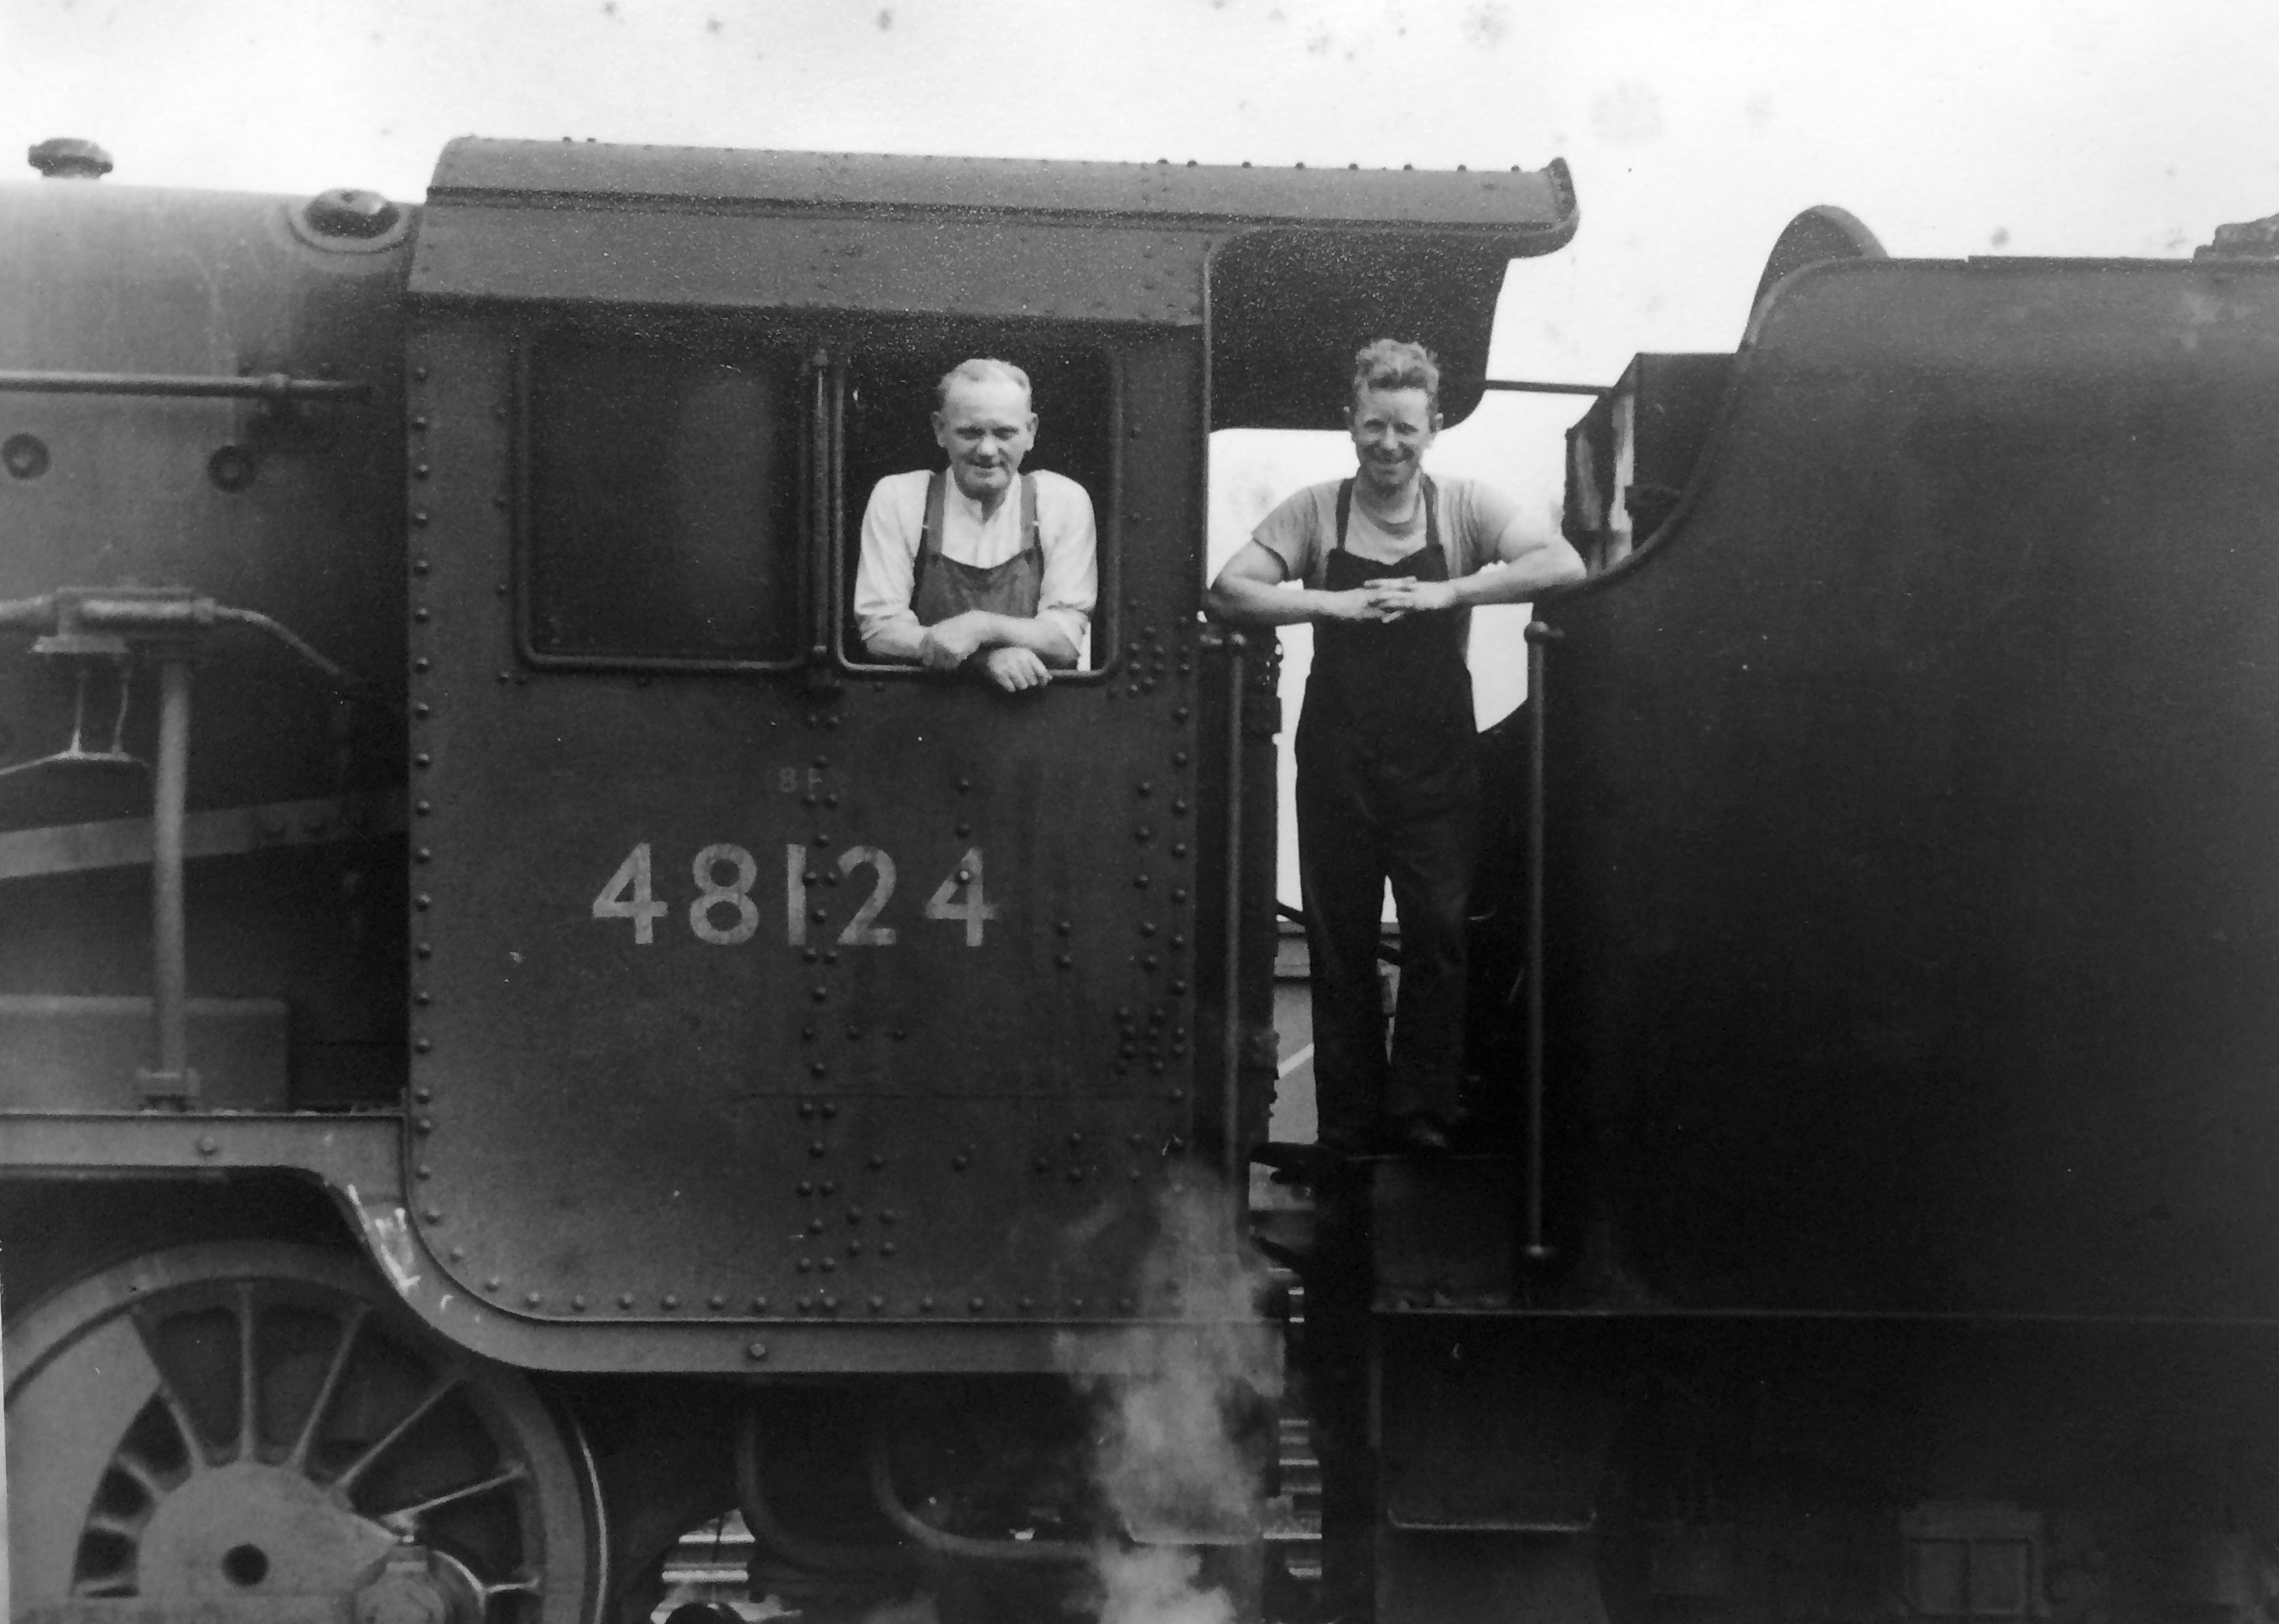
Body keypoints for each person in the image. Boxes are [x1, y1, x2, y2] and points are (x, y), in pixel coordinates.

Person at [1207, 339, 1586, 1156]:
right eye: (1373, 425)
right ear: (1350, 423)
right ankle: (1347, 1116)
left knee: (1436, 934)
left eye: (1404, 428)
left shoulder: (1464, 508)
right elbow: (1228, 589)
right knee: (1339, 939)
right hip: (1339, 764)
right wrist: (1331, 606)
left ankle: (1421, 1109)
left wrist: (1451, 589)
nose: (1388, 444)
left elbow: (1559, 562)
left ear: (1433, 428)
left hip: (1437, 765)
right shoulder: (1313, 510)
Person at [854, 358, 1097, 692]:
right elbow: (880, 631)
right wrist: (985, 662)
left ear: (1031, 432)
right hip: (921, 708)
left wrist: (980, 627)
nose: (987, 450)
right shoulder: (900, 497)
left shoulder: (1063, 501)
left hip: (1032, 715)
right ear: (940, 430)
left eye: (1004, 432)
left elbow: (1065, 638)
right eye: (970, 432)